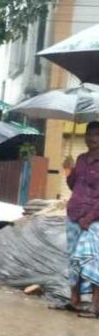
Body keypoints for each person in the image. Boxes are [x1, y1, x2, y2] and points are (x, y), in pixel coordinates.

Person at [65, 121, 99, 317]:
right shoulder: (81, 159)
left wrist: (90, 217)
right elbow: (73, 186)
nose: (92, 138)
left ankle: (96, 305)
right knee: (73, 258)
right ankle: (74, 299)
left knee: (94, 259)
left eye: (96, 135)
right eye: (89, 134)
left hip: (94, 219)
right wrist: (69, 171)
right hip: (74, 214)